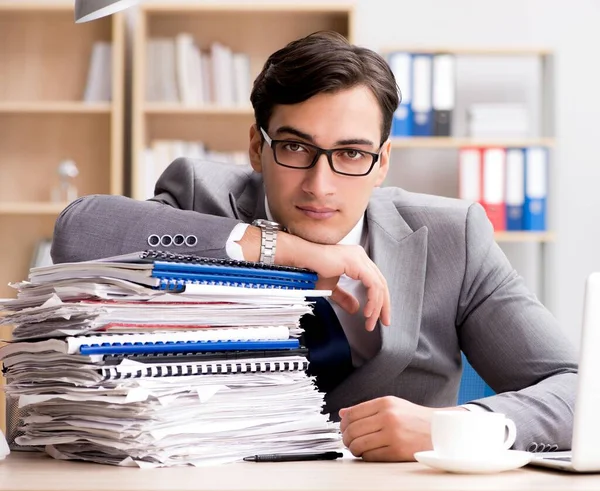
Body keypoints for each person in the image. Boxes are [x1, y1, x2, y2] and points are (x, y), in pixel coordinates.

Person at [51, 31, 577, 462]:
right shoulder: (201, 195)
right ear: (257, 147)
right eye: (296, 147)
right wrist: (283, 250)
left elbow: (576, 388)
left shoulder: (451, 238)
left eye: (350, 153)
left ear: (384, 160)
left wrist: (458, 426)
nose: (320, 185)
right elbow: (80, 231)